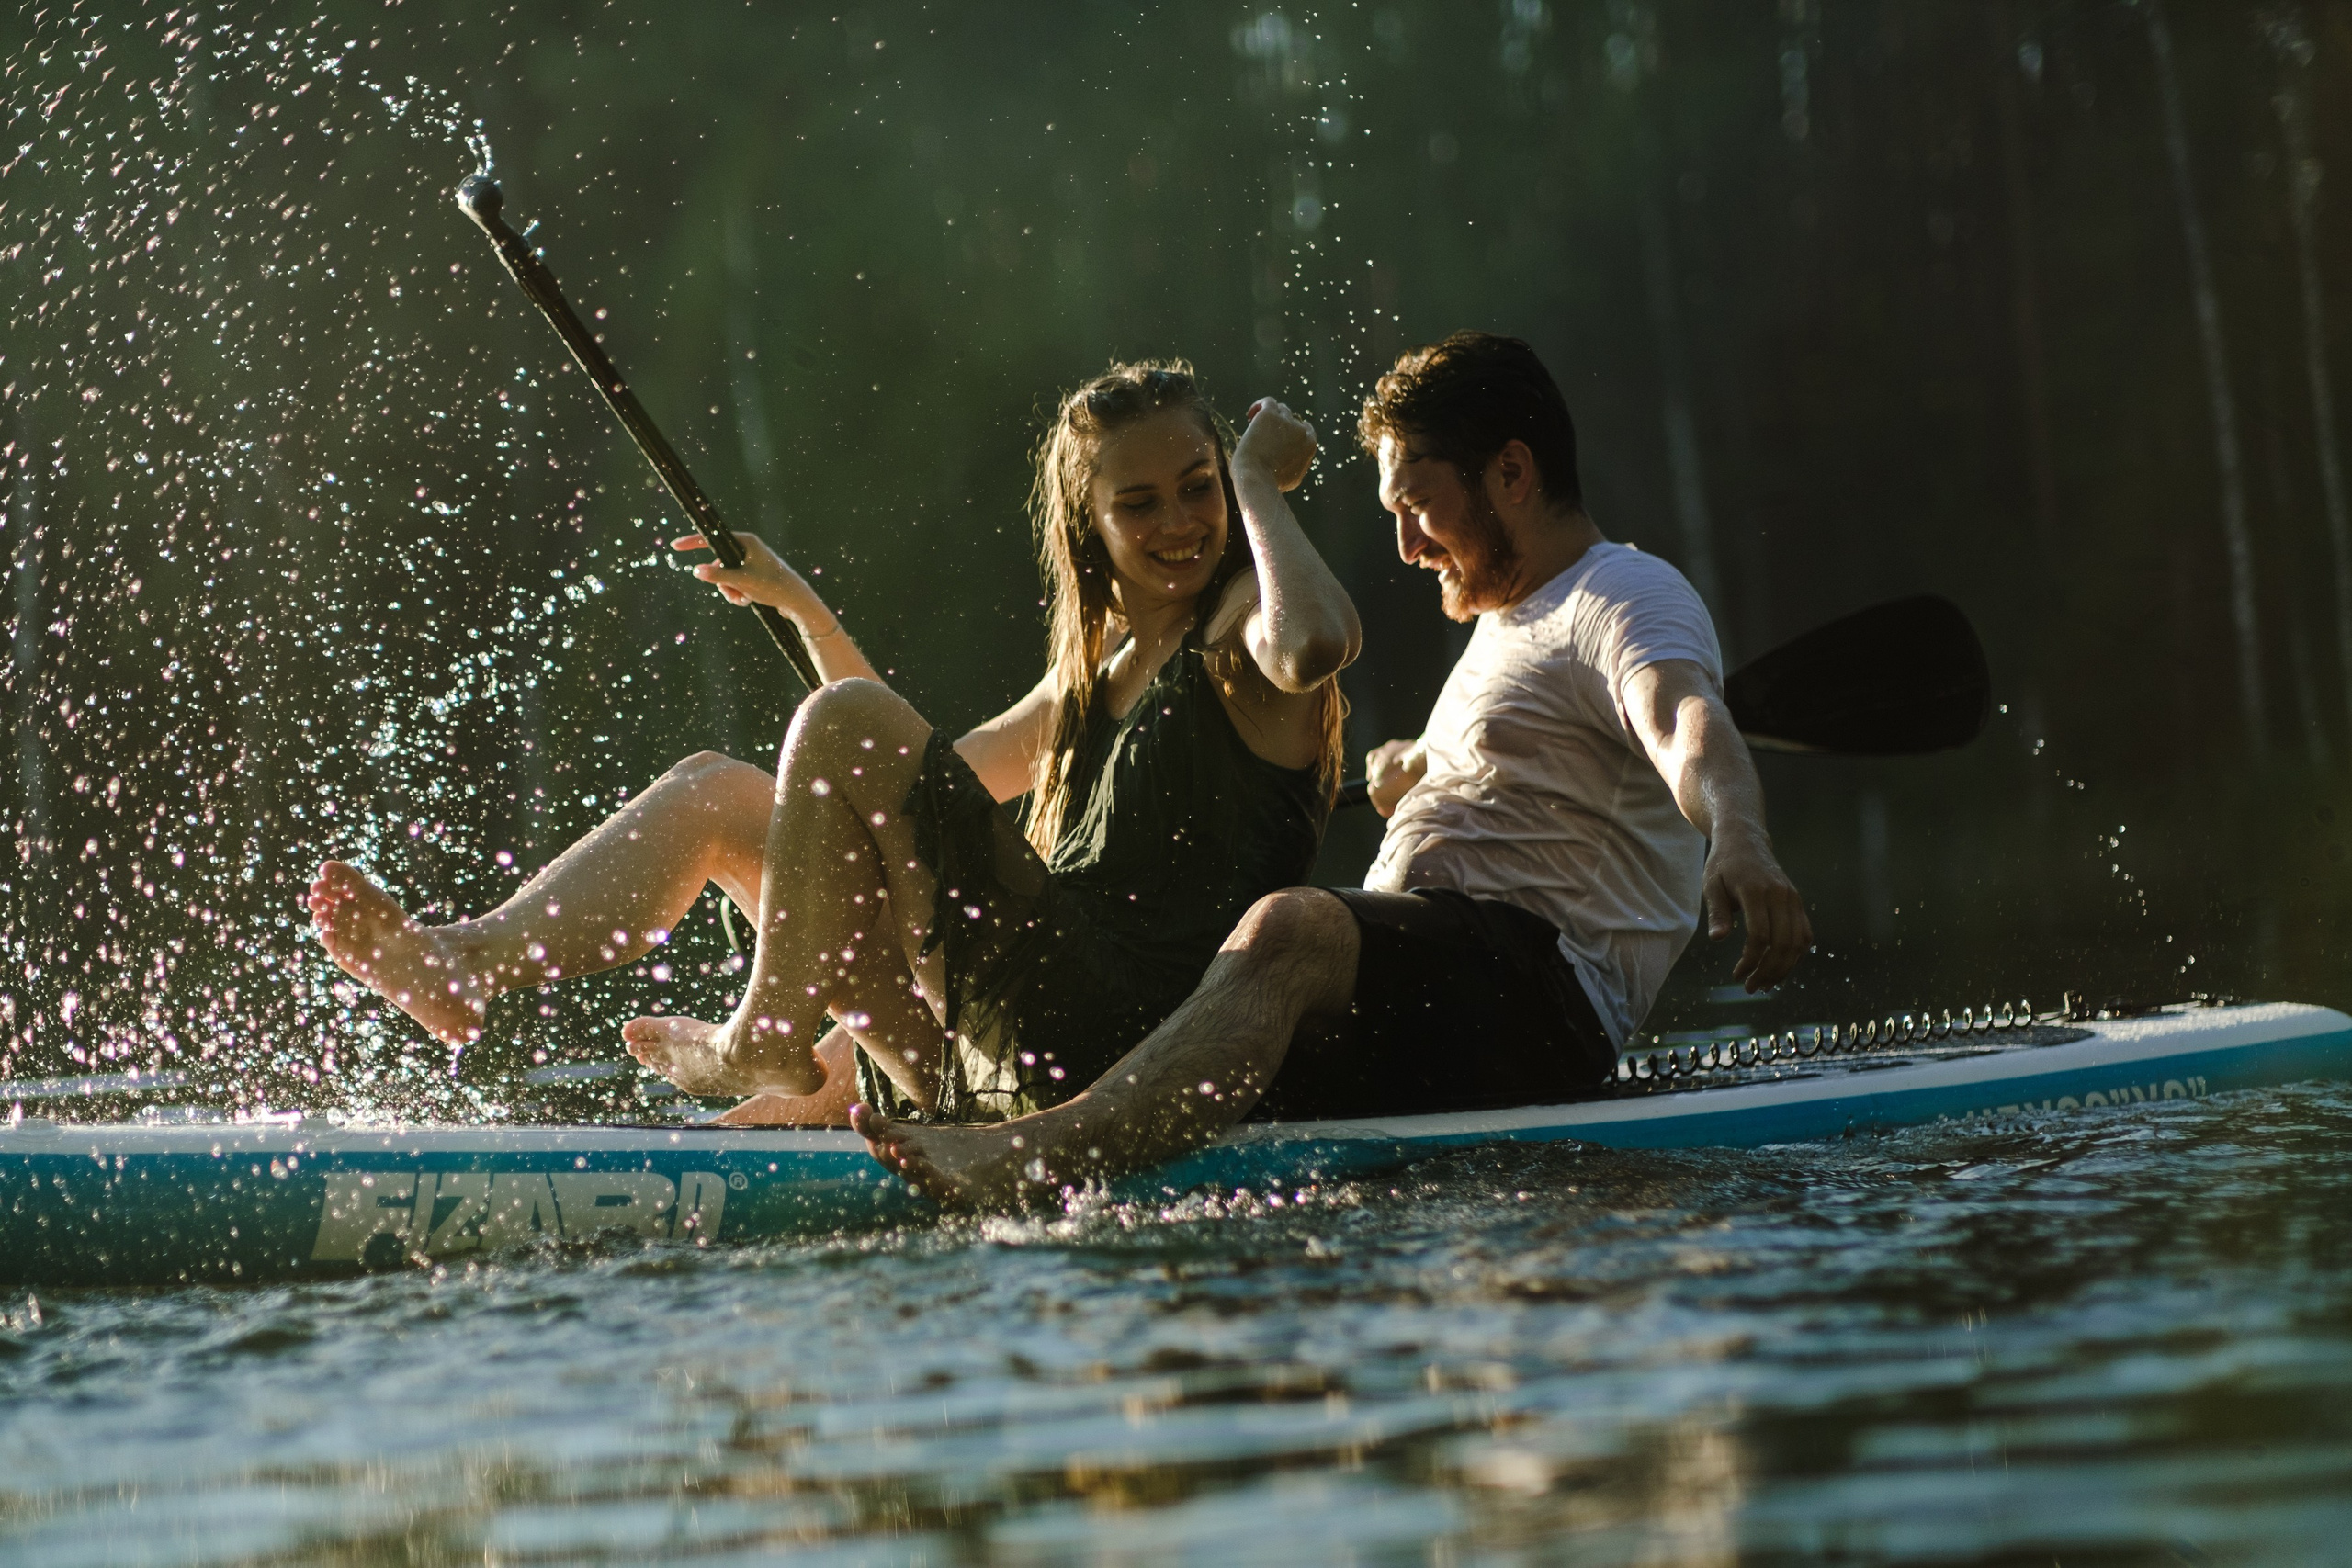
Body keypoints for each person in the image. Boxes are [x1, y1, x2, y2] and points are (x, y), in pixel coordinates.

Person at [853, 331, 1813, 1201]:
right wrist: (1422, 782)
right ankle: (864, 1108)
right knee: (1197, 969)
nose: (1404, 546)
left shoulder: (1621, 592)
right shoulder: (1503, 630)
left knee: (1289, 925)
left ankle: (1035, 1158)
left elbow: (1685, 717)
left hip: (1545, 1000)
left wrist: (1737, 834)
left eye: (1419, 506)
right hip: (1436, 993)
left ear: (1511, 472)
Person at [307, 362, 1359, 1125]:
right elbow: (911, 782)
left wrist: (1264, 485)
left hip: (1124, 1051)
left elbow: (1314, 644)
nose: (1180, 521)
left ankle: (770, 1045)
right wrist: (803, 609)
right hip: (1002, 1048)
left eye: (1200, 486)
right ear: (1091, 525)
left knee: (840, 733)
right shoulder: (1092, 676)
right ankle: (469, 962)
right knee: (717, 790)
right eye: (1140, 503)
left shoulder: (1242, 637)